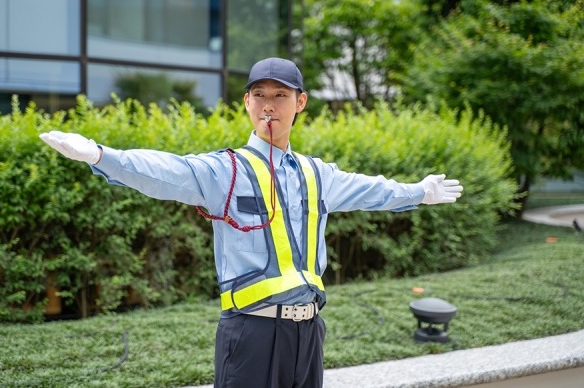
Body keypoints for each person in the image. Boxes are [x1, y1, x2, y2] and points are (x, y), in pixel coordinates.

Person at [40, 57, 462, 388]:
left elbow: (374, 190)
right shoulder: (225, 170)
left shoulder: (318, 174)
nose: (268, 104)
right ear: (246, 103)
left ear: (300, 103)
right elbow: (166, 171)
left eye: (280, 95)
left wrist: (418, 192)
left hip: (308, 330)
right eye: (258, 94)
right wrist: (100, 155)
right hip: (251, 333)